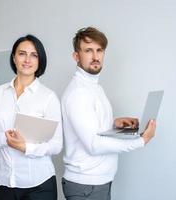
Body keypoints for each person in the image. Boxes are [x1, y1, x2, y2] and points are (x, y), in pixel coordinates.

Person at [61, 27, 156, 200]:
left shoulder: (94, 87)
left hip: (96, 183)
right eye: (88, 50)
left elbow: (90, 124)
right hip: (86, 187)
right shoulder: (78, 93)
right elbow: (94, 144)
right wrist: (140, 141)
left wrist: (114, 123)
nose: (95, 56)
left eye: (99, 50)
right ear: (76, 56)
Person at [0, 34, 63, 200]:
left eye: (34, 55)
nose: (27, 60)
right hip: (4, 183)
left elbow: (56, 145)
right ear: (14, 58)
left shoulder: (49, 97)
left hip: (40, 185)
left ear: (40, 61)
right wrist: (6, 139)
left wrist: (25, 147)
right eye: (22, 53)